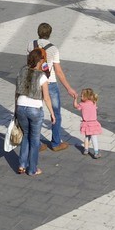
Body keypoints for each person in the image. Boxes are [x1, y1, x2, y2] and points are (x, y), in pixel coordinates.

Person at [33, 23, 78, 152]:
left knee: (36, 113)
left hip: (35, 82)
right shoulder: (53, 49)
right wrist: (69, 88)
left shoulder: (31, 45)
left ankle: (35, 143)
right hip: (50, 82)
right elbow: (58, 72)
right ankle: (56, 143)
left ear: (38, 32)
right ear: (50, 33)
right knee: (56, 113)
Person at [12, 48, 53, 177]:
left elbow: (17, 91)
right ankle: (32, 169)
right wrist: (52, 113)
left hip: (21, 106)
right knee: (35, 140)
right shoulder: (41, 76)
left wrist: (16, 109)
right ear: (40, 61)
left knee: (26, 135)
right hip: (34, 109)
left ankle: (21, 165)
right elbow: (46, 97)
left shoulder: (21, 71)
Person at [76, 87, 103, 158]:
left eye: (82, 95)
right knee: (94, 138)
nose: (80, 96)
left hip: (86, 123)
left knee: (87, 136)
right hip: (93, 123)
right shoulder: (94, 102)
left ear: (86, 96)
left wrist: (75, 99)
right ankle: (96, 152)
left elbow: (76, 106)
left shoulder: (82, 104)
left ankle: (86, 150)